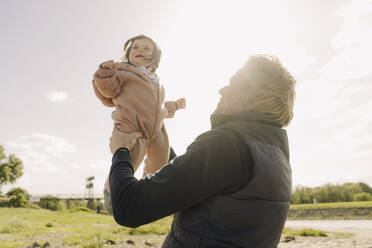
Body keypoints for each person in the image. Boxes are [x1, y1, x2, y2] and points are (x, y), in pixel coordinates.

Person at [108, 55, 296, 248]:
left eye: (233, 84)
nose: (222, 90)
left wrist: (121, 151)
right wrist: (159, 142)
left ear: (252, 93)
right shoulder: (275, 153)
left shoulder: (226, 144)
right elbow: (205, 186)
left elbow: (129, 207)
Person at [92, 35, 185, 212]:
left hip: (156, 128)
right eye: (135, 47)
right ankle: (112, 194)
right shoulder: (122, 72)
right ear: (128, 53)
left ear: (154, 57)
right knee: (129, 162)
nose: (140, 50)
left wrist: (175, 106)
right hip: (131, 126)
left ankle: (147, 193)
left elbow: (159, 109)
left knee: (160, 163)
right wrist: (105, 73)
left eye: (146, 48)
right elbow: (109, 90)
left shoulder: (157, 82)